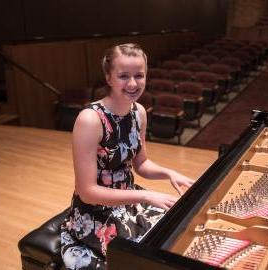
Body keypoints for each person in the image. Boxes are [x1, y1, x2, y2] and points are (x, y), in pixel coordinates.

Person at [60, 43, 194, 270]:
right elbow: (87, 192)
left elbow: (141, 164)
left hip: (130, 200)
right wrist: (145, 197)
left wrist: (168, 173)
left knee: (177, 234)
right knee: (139, 260)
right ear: (108, 78)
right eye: (123, 76)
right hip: (95, 211)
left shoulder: (139, 112)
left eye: (139, 75)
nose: (133, 84)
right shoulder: (90, 119)